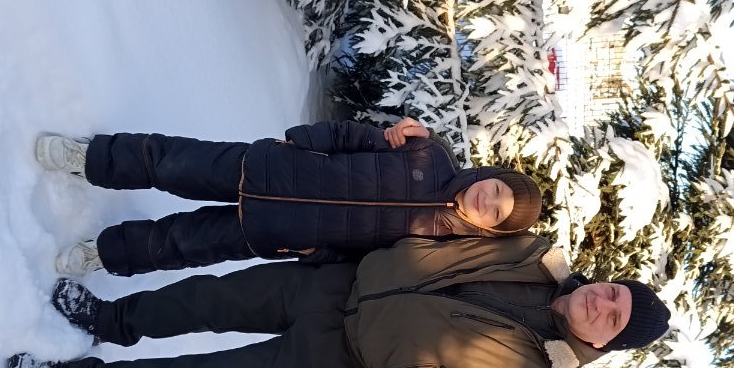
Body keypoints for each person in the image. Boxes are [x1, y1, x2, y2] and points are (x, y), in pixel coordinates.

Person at [6, 235, 672, 368]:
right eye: (614, 292)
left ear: (606, 344)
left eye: (613, 318)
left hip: (333, 366)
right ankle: (109, 320)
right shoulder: (532, 253)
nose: (602, 303)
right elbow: (446, 215)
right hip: (332, 286)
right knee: (202, 298)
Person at [36, 117, 543, 276]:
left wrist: (312, 253)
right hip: (270, 169)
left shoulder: (437, 246)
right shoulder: (428, 153)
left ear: (492, 228)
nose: (488, 200)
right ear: (490, 175)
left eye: (498, 212)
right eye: (497, 189)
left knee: (176, 245)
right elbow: (354, 137)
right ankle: (91, 158)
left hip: (276, 233)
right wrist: (301, 141)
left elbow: (364, 261)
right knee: (170, 161)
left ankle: (101, 255)